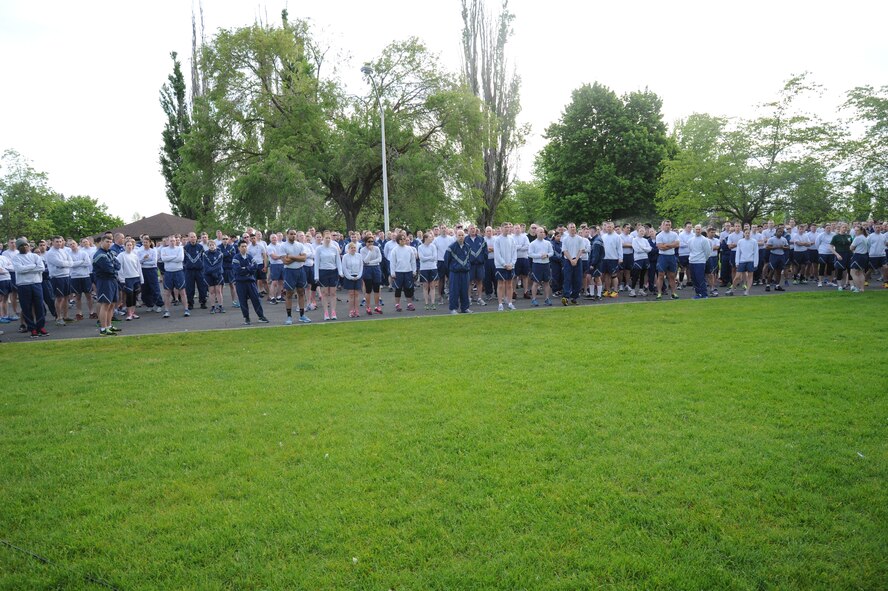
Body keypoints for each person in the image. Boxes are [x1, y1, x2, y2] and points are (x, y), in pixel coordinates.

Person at [11, 237, 48, 338]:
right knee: (26, 307)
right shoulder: (16, 258)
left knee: (39, 306)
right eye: (22, 245)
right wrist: (33, 266)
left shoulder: (35, 256)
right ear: (19, 247)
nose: (25, 247)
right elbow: (19, 269)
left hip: (36, 283)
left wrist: (27, 267)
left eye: (26, 245)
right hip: (23, 285)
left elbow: (41, 268)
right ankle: (32, 329)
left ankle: (41, 327)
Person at [231, 239, 269, 325]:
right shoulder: (236, 258)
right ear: (239, 248)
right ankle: (246, 318)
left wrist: (245, 268)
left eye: (245, 246)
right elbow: (238, 270)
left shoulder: (250, 257)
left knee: (256, 299)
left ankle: (261, 316)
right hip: (240, 282)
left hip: (251, 282)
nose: (244, 248)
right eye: (242, 246)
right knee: (243, 301)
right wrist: (249, 268)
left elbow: (255, 267)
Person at [92, 233, 122, 336]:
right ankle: (103, 328)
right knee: (105, 304)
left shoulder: (109, 253)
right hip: (104, 281)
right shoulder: (100, 255)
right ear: (101, 242)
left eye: (110, 242)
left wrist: (113, 265)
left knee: (112, 304)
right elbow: (109, 269)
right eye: (107, 242)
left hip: (112, 280)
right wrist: (113, 266)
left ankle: (109, 326)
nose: (109, 244)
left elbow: (118, 265)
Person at [281, 229, 311, 324]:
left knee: (301, 292)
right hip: (289, 271)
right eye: (291, 234)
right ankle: (289, 317)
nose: (293, 235)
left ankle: (302, 315)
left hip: (300, 270)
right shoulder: (283, 246)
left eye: (294, 234)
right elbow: (285, 261)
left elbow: (304, 258)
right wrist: (298, 257)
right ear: (287, 235)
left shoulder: (300, 245)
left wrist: (292, 257)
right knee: (289, 294)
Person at [45, 235, 74, 326]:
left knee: (66, 297)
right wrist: (66, 263)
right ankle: (59, 317)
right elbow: (59, 263)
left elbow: (71, 262)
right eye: (57, 241)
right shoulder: (50, 253)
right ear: (52, 243)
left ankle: (65, 316)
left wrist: (65, 264)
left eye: (60, 241)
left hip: (66, 276)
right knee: (59, 298)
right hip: (57, 277)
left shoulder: (64, 251)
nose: (59, 243)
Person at [313, 231, 343, 320]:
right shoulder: (319, 249)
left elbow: (338, 261)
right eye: (326, 238)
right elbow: (317, 262)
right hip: (323, 272)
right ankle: (326, 312)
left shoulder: (334, 248)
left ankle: (333, 312)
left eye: (329, 238)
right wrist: (316, 275)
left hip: (333, 271)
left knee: (333, 293)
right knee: (324, 293)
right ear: (323, 238)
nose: (328, 239)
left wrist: (340, 271)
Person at [444, 229, 472, 314]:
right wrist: (452, 269)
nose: (461, 237)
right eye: (459, 235)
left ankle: (465, 308)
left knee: (465, 290)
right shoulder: (451, 247)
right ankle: (453, 308)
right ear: (456, 236)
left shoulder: (468, 247)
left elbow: (469, 259)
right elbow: (446, 260)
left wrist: (467, 267)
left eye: (462, 235)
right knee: (454, 291)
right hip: (454, 273)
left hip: (465, 273)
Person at [389, 233, 418, 312]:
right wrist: (393, 272)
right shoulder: (395, 250)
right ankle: (397, 305)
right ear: (398, 240)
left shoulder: (409, 249)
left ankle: (409, 304)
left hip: (408, 271)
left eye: (404, 239)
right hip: (398, 272)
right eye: (401, 239)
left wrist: (414, 270)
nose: (403, 240)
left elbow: (413, 261)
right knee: (398, 289)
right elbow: (392, 262)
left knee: (408, 289)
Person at [117, 238, 144, 321]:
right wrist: (122, 279)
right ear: (124, 246)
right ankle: (129, 314)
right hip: (127, 279)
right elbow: (119, 268)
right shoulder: (121, 255)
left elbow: (139, 268)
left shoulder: (135, 256)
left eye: (131, 245)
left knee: (135, 296)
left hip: (135, 277)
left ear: (133, 246)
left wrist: (141, 279)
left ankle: (133, 312)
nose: (129, 246)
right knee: (129, 295)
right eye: (128, 245)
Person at [160, 235, 186, 318]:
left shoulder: (180, 248)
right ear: (167, 242)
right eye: (171, 241)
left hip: (179, 272)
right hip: (168, 273)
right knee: (167, 293)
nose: (172, 242)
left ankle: (186, 309)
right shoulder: (164, 249)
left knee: (182, 292)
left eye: (174, 240)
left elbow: (180, 259)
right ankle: (167, 311)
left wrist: (169, 258)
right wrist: (175, 256)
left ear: (176, 241)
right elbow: (163, 259)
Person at [528, 226, 554, 306]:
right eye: (540, 232)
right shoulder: (533, 244)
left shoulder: (548, 243)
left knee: (546, 282)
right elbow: (530, 254)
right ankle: (534, 299)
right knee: (536, 283)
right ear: (536, 233)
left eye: (543, 232)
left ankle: (547, 299)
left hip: (546, 264)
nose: (542, 233)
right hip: (537, 265)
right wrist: (540, 256)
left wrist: (546, 255)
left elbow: (551, 252)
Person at [494, 223, 518, 310]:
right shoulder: (497, 240)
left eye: (508, 227)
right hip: (500, 266)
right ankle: (500, 304)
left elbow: (514, 252)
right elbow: (497, 254)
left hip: (511, 266)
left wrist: (512, 263)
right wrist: (504, 264)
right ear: (501, 228)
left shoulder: (512, 239)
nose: (507, 229)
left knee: (509, 285)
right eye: (505, 227)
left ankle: (510, 302)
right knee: (500, 285)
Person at [655, 220, 681, 300]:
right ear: (662, 226)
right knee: (661, 275)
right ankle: (659, 293)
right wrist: (671, 245)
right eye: (666, 225)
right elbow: (660, 247)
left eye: (669, 225)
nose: (668, 226)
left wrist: (666, 245)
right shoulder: (659, 235)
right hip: (663, 257)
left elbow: (677, 244)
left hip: (671, 256)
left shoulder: (674, 234)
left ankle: (673, 293)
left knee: (672, 276)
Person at [137, 236, 163, 313]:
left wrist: (144, 262)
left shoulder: (153, 251)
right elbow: (139, 262)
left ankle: (159, 304)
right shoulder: (140, 251)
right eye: (143, 242)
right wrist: (144, 259)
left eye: (146, 242)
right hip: (143, 270)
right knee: (145, 288)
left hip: (152, 270)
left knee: (154, 287)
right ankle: (149, 305)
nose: (145, 244)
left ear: (150, 243)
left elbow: (154, 262)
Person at [687, 224, 712, 299]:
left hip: (700, 262)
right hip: (692, 261)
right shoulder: (690, 240)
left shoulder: (704, 240)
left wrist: (703, 259)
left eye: (699, 229)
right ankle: (698, 293)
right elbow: (690, 250)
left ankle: (704, 294)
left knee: (700, 278)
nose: (697, 231)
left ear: (701, 230)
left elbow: (707, 251)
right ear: (694, 230)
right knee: (694, 279)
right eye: (696, 229)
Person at [360, 235, 383, 315]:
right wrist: (369, 251)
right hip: (367, 270)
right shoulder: (362, 250)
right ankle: (368, 307)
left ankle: (377, 306)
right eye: (368, 242)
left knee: (377, 289)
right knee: (368, 290)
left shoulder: (376, 248)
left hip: (376, 269)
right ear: (365, 242)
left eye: (372, 241)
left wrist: (371, 262)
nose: (370, 243)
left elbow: (379, 259)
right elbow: (365, 261)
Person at [560, 223, 583, 305]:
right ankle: (566, 297)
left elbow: (581, 250)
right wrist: (571, 260)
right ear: (568, 228)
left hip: (578, 260)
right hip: (568, 261)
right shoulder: (565, 239)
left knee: (578, 279)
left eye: (574, 227)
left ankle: (574, 297)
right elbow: (564, 251)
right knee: (567, 278)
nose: (573, 228)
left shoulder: (580, 239)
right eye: (571, 227)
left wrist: (576, 259)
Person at [341, 242, 364, 318]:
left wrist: (359, 275)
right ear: (348, 249)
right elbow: (344, 268)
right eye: (352, 248)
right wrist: (350, 277)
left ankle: (356, 310)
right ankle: (351, 310)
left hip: (357, 276)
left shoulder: (359, 256)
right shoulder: (345, 257)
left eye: (354, 248)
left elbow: (361, 266)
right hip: (349, 277)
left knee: (356, 294)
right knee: (351, 294)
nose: (353, 249)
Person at [465, 225, 487, 305]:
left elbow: (485, 251)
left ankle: (480, 298)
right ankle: (468, 298)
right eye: (471, 229)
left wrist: (483, 260)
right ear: (468, 230)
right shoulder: (465, 240)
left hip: (479, 265)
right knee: (469, 282)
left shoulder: (481, 239)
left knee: (479, 281)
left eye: (474, 228)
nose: (473, 230)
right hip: (470, 265)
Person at [600, 222, 623, 298]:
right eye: (607, 227)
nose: (608, 228)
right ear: (605, 228)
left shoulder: (617, 237)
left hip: (613, 258)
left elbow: (620, 248)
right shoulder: (603, 236)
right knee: (606, 275)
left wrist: (620, 258)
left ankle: (616, 291)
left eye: (610, 227)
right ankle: (608, 290)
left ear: (613, 227)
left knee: (614, 275)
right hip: (605, 258)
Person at [417, 232, 439, 310]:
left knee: (432, 286)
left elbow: (435, 257)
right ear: (426, 238)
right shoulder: (420, 247)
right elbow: (421, 258)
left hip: (432, 268)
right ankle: (426, 303)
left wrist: (427, 258)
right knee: (425, 286)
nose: (431, 239)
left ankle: (433, 303)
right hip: (424, 269)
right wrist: (429, 258)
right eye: (430, 237)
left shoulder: (433, 246)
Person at [203, 239, 225, 313]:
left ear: (215, 246)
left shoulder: (220, 254)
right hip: (208, 275)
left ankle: (221, 306)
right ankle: (213, 307)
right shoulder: (205, 254)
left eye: (213, 245)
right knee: (211, 291)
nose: (212, 246)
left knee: (218, 291)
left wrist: (214, 272)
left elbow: (219, 265)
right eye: (210, 245)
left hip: (217, 274)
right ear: (208, 246)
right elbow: (206, 265)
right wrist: (211, 272)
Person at [765, 227, 790, 292]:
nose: (780, 233)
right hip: (774, 256)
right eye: (779, 232)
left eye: (781, 232)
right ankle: (768, 285)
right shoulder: (771, 239)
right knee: (772, 271)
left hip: (781, 256)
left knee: (779, 271)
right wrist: (776, 247)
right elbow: (767, 247)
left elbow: (787, 247)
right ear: (776, 232)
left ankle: (777, 285)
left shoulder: (784, 239)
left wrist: (783, 247)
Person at [630, 229, 652, 297]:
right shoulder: (634, 240)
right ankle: (632, 290)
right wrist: (645, 249)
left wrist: (643, 248)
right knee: (636, 275)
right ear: (637, 232)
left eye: (643, 231)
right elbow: (637, 250)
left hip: (645, 258)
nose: (642, 232)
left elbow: (649, 249)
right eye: (640, 231)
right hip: (638, 259)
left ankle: (641, 290)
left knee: (643, 275)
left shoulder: (645, 240)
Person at [512, 225, 531, 299]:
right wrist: (520, 246)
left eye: (518, 228)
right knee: (514, 276)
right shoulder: (511, 237)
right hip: (515, 258)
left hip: (524, 258)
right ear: (513, 229)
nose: (517, 229)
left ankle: (525, 292)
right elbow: (512, 247)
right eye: (516, 228)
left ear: (521, 229)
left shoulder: (525, 237)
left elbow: (527, 246)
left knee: (525, 276)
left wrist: (517, 247)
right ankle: (514, 292)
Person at [266, 233, 285, 304]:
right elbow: (274, 257)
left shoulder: (280, 246)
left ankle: (279, 296)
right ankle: (272, 297)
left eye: (275, 237)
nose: (274, 239)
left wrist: (281, 257)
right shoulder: (269, 247)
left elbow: (284, 254)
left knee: (281, 282)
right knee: (274, 282)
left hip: (281, 265)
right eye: (272, 238)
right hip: (274, 265)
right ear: (270, 239)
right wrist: (281, 256)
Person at [849, 227, 869, 292]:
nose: (856, 232)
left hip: (858, 256)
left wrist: (851, 247)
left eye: (857, 230)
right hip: (865, 256)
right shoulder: (865, 237)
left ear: (861, 231)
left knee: (853, 272)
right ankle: (862, 289)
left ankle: (857, 288)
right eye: (855, 230)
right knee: (860, 272)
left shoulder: (858, 238)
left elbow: (851, 248)